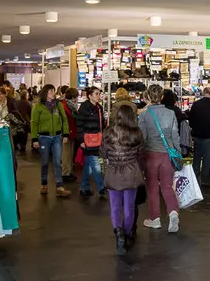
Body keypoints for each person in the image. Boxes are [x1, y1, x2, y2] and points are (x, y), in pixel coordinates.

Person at [101, 104, 144, 255]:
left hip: (113, 172)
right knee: (129, 207)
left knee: (115, 206)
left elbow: (103, 153)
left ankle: (118, 232)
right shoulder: (136, 133)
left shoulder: (108, 132)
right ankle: (125, 234)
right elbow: (140, 154)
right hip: (131, 172)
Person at [138, 84, 181, 233]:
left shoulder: (143, 115)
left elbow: (142, 138)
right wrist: (178, 153)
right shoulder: (171, 113)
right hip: (167, 154)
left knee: (152, 187)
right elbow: (175, 136)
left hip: (151, 154)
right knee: (167, 186)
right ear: (162, 96)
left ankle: (155, 218)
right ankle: (173, 213)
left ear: (148, 97)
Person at [31, 84, 72, 197]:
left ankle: (59, 186)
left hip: (57, 137)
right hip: (43, 138)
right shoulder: (38, 107)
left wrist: (65, 133)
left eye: (53, 91)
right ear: (45, 93)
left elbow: (64, 119)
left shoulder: (58, 105)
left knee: (57, 162)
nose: (53, 93)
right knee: (44, 162)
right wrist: (34, 138)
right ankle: (44, 184)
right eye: (50, 91)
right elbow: (34, 123)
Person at [76, 86, 106, 197]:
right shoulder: (84, 107)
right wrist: (80, 140)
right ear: (90, 96)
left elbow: (102, 124)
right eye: (96, 94)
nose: (99, 96)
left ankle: (84, 187)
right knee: (95, 163)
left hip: (96, 139)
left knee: (89, 164)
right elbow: (79, 124)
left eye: (99, 94)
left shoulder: (99, 108)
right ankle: (101, 187)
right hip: (87, 140)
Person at [61, 88, 79, 182]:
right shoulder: (65, 106)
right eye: (76, 97)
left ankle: (68, 171)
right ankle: (65, 173)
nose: (77, 99)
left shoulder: (68, 105)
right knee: (66, 154)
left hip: (71, 133)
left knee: (69, 153)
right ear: (72, 97)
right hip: (67, 133)